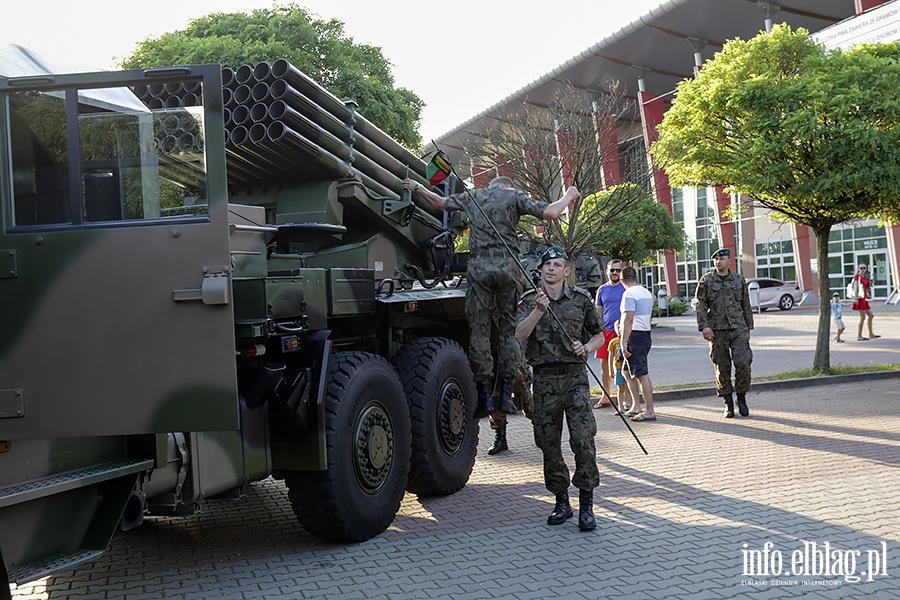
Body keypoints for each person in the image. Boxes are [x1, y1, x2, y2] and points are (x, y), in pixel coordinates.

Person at [403, 176, 579, 418]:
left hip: (479, 273)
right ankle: (507, 395)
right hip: (507, 273)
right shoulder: (514, 196)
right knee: (508, 332)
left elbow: (439, 202)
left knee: (480, 330)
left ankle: (485, 394)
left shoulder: (474, 195)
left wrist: (416, 187)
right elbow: (550, 212)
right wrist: (569, 194)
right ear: (509, 186)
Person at [515, 246, 604, 531]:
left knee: (583, 441)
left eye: (557, 264)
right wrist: (539, 312)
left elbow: (600, 334)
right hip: (544, 380)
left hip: (575, 378)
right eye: (546, 265)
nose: (551, 268)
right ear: (540, 271)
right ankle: (562, 501)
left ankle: (587, 505)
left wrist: (586, 347)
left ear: (567, 270)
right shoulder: (531, 301)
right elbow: (518, 335)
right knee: (548, 444)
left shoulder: (580, 299)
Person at [694, 248, 753, 418]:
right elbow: (701, 305)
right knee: (722, 366)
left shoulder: (738, 279)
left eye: (722, 258)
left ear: (729, 260)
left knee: (743, 363)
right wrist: (704, 326)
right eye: (716, 259)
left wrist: (748, 327)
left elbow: (746, 304)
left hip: (738, 328)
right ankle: (727, 402)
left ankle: (741, 397)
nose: (718, 262)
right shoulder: (706, 281)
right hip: (717, 330)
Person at [619, 266, 656, 422]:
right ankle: (636, 406)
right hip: (644, 334)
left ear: (621, 280)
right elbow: (653, 299)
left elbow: (629, 318)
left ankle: (649, 411)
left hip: (634, 336)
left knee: (642, 375)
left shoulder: (629, 294)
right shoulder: (646, 292)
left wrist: (623, 341)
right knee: (626, 372)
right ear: (636, 277)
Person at [592, 259, 626, 409]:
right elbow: (598, 311)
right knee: (604, 365)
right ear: (607, 272)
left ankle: (625, 400)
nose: (615, 273)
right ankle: (605, 396)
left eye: (618, 270)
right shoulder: (602, 289)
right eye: (612, 270)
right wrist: (595, 330)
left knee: (623, 366)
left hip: (621, 332)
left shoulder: (626, 288)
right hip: (605, 332)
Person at [487, 356, 534, 455]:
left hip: (514, 360)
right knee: (496, 397)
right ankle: (500, 438)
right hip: (493, 361)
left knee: (526, 399)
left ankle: (541, 429)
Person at [606, 319, 634, 414]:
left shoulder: (628, 340)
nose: (619, 329)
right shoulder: (613, 342)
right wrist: (610, 369)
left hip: (627, 368)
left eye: (620, 327)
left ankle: (629, 404)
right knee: (620, 388)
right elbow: (610, 357)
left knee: (629, 387)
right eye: (617, 327)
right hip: (618, 368)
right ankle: (620, 407)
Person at [850, 264, 879, 341]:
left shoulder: (865, 277)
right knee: (862, 317)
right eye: (861, 268)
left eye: (864, 268)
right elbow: (856, 286)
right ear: (858, 268)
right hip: (860, 299)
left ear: (866, 269)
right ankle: (859, 335)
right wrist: (855, 297)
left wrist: (868, 290)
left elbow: (865, 288)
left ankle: (871, 334)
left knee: (871, 316)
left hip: (864, 299)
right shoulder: (857, 276)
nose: (862, 269)